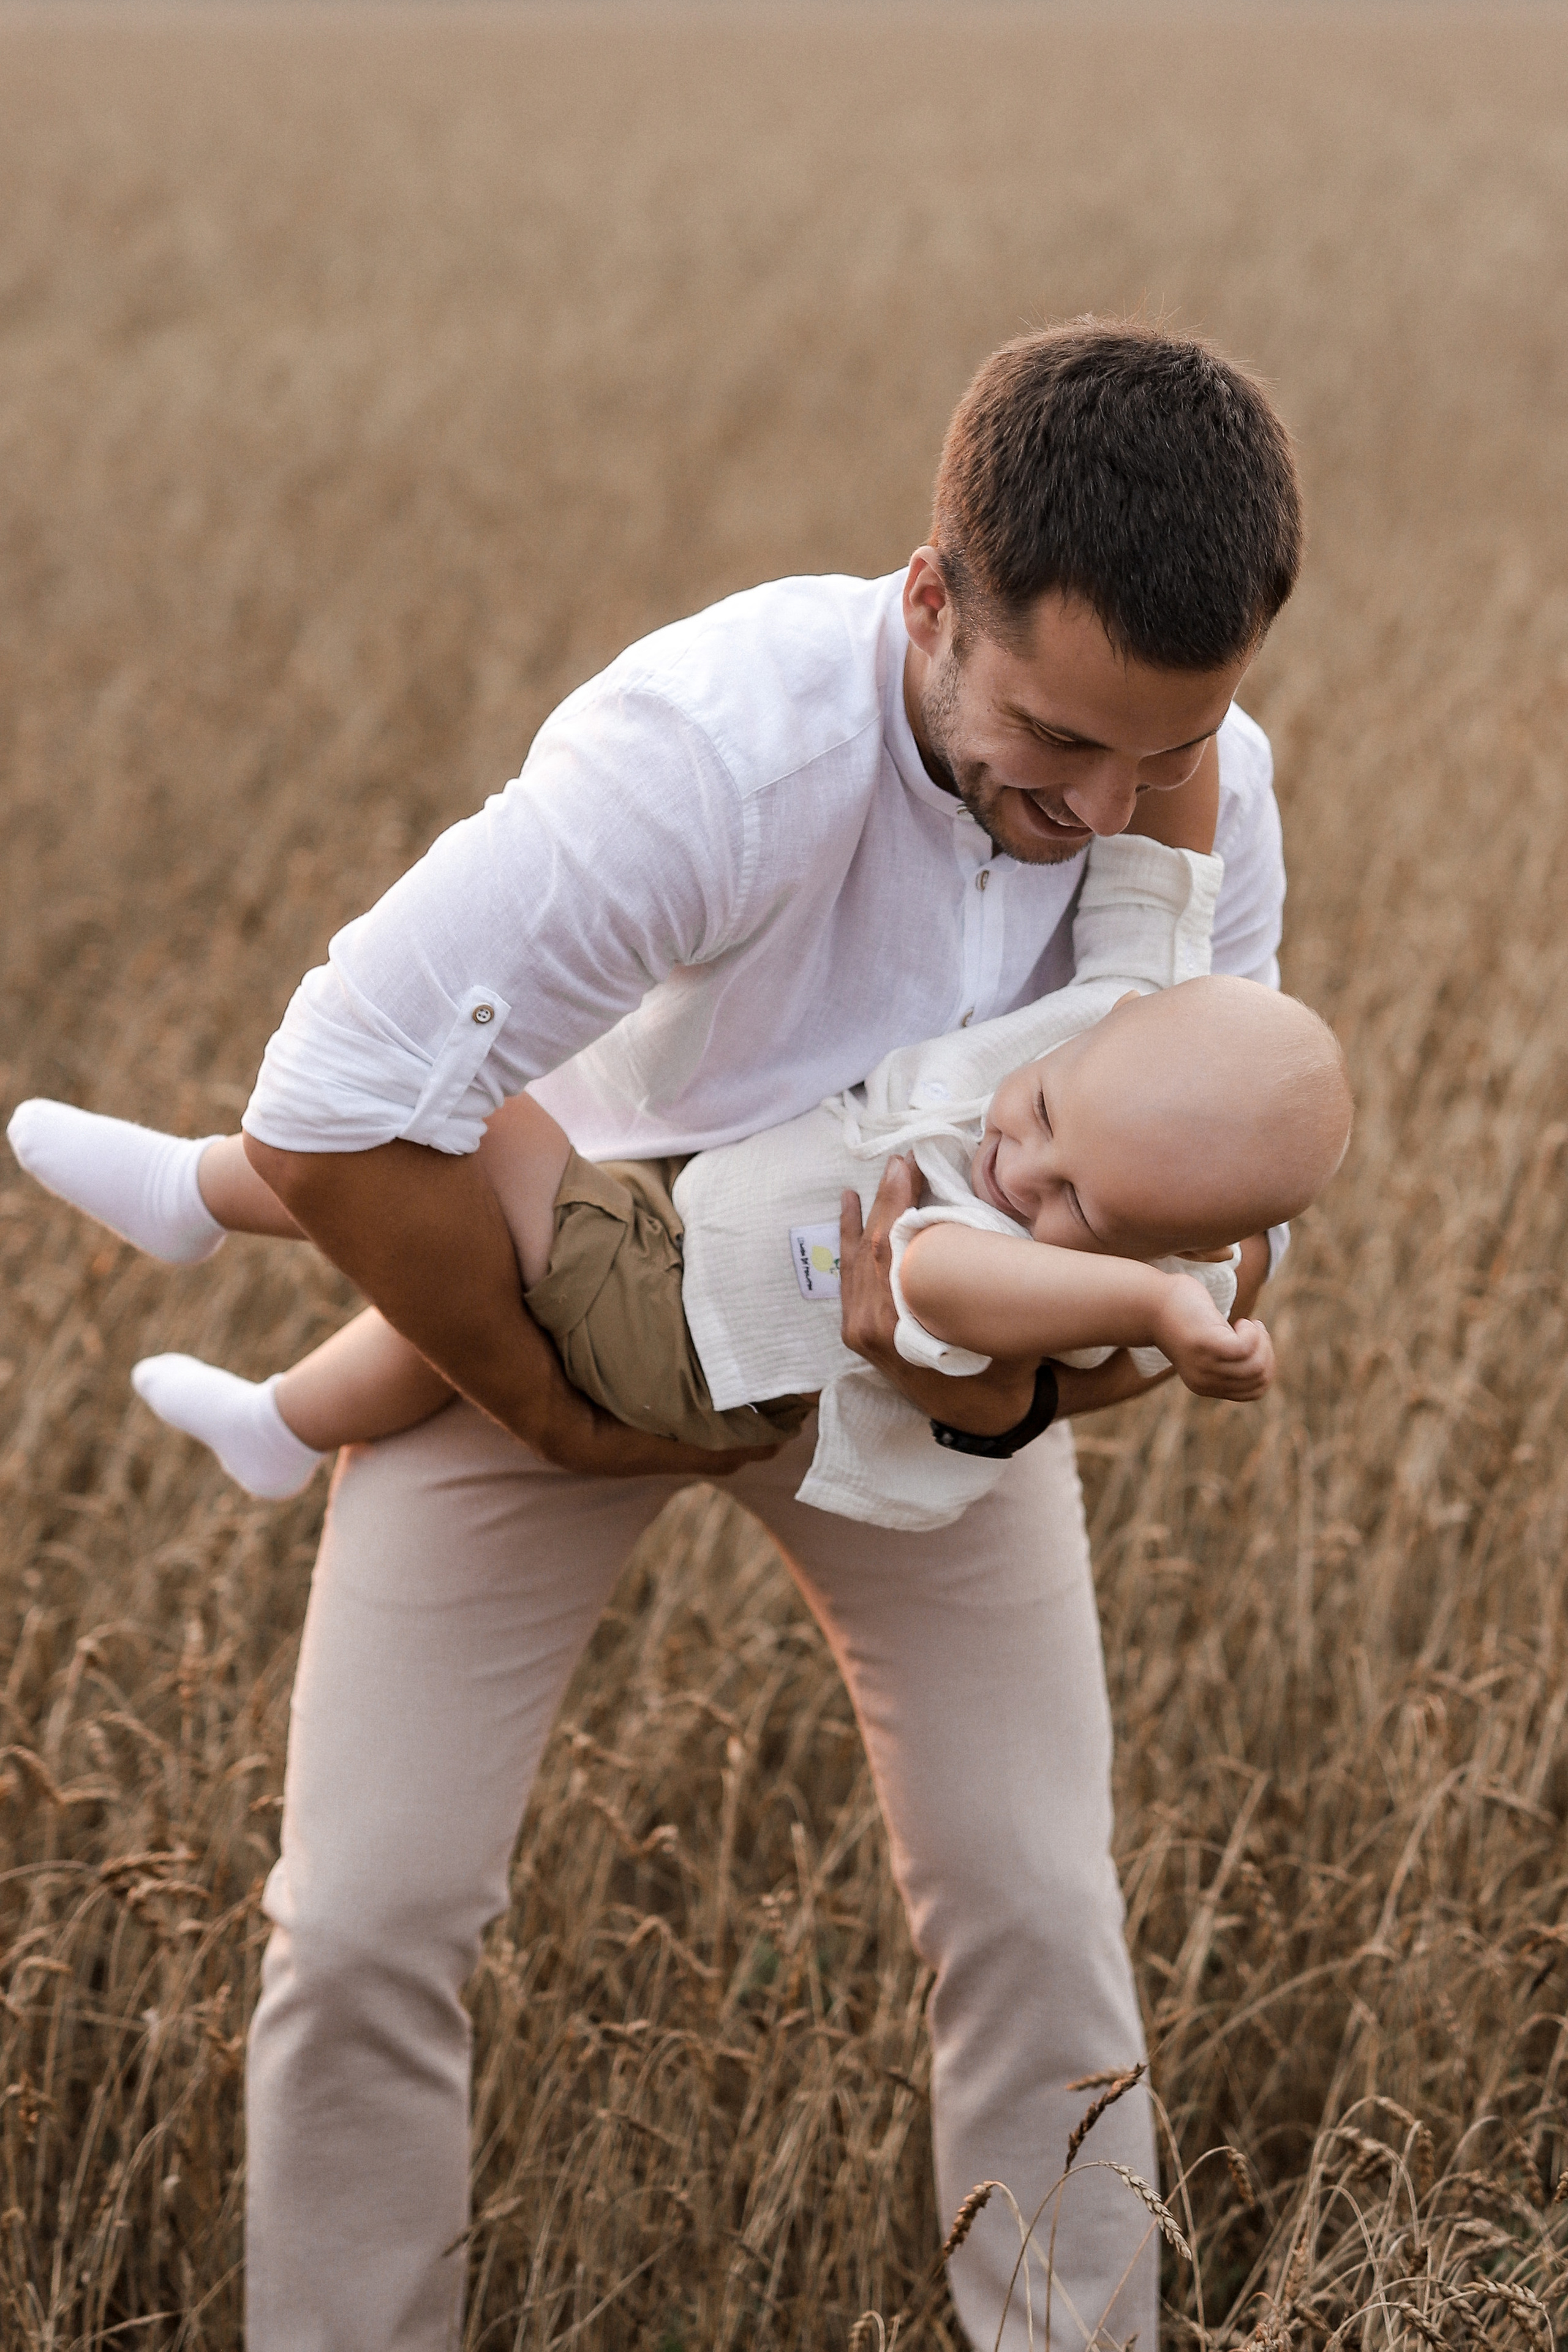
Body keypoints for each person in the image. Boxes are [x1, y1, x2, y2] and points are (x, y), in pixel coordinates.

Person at [16, 322, 1306, 2350]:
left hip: (912, 1380)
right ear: (930, 602)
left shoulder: (1195, 798)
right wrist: (552, 1405)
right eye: (1060, 744)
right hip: (579, 1281)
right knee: (363, 1927)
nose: (1111, 806)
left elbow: (1204, 1229)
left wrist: (998, 1380)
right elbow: (337, 1097)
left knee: (1045, 1918)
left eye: (1168, 747)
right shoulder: (716, 751)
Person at [18, 913, 1349, 1533]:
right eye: (1041, 1111)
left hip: (673, 1326)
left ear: (1143, 1253)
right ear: (1098, 1031)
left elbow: (939, 1292)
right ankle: (283, 1426)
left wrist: (1162, 1313)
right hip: (697, 1226)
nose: (1020, 1166)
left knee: (475, 1114)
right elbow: (1144, 888)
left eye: (1077, 1209)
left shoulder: (985, 1258)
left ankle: (194, 1192)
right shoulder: (1123, 1021)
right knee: (473, 1253)